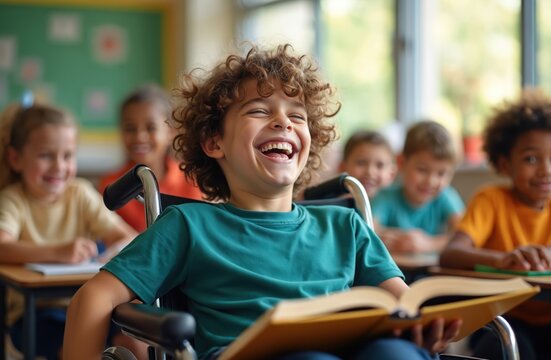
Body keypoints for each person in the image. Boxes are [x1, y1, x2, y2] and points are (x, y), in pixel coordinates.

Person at [63, 44, 461, 360]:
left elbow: (404, 304)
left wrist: (426, 327)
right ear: (213, 142)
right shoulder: (188, 224)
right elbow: (94, 297)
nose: (284, 122)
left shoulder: (346, 227)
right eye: (258, 110)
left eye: (298, 116)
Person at [0, 102, 137, 360]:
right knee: (72, 345)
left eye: (68, 156)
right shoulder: (13, 199)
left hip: (89, 306)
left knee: (134, 335)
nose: (59, 167)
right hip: (36, 313)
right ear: (15, 159)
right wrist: (58, 252)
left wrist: (110, 255)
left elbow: (127, 237)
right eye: (46, 155)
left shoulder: (80, 192)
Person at [440, 89, 551, 360]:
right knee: (510, 349)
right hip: (501, 317)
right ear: (505, 164)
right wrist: (503, 259)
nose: (546, 169)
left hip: (548, 318)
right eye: (530, 159)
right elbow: (451, 253)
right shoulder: (491, 199)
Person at [99, 84, 203, 232]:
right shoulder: (111, 188)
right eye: (130, 128)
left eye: (151, 127)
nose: (140, 137)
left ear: (170, 132)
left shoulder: (192, 182)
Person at [370, 120, 465, 255]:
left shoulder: (446, 196)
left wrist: (429, 244)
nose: (431, 181)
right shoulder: (385, 196)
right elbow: (369, 231)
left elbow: (465, 236)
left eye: (441, 173)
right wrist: (401, 238)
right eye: (422, 170)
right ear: (401, 162)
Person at [338, 130, 397, 198]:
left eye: (379, 165)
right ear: (342, 168)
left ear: (392, 174)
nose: (370, 172)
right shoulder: (334, 206)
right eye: (361, 163)